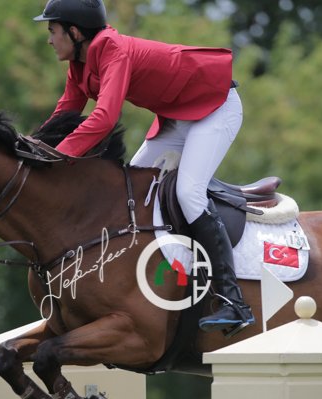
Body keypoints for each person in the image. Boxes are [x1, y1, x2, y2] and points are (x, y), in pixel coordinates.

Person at [34, 0, 254, 335]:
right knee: (128, 192)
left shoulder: (112, 50)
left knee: (188, 193)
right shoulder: (80, 64)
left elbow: (104, 118)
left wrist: (56, 157)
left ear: (74, 32)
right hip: (177, 118)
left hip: (215, 108)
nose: (50, 39)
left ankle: (233, 300)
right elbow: (65, 111)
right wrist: (32, 148)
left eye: (53, 31)